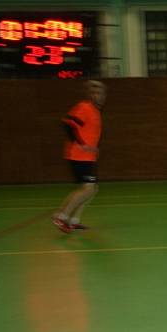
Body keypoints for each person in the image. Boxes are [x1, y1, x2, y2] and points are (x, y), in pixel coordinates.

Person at [52, 80, 106, 233]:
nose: (100, 96)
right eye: (96, 93)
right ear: (91, 95)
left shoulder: (96, 111)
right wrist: (82, 144)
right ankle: (61, 216)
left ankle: (74, 220)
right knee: (88, 189)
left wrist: (93, 148)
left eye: (102, 93)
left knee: (92, 189)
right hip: (78, 155)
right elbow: (68, 123)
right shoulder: (84, 107)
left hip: (88, 157)